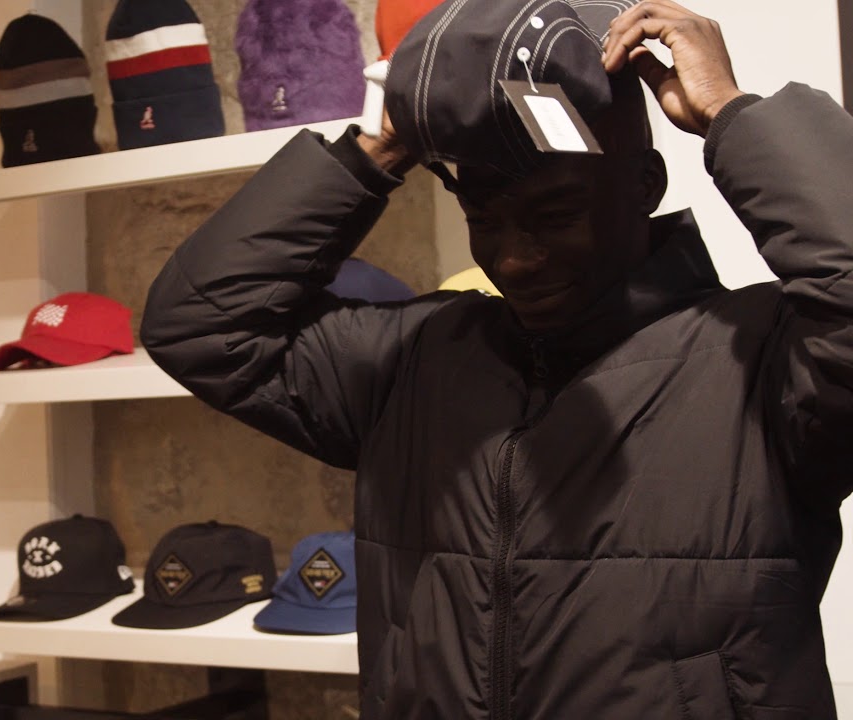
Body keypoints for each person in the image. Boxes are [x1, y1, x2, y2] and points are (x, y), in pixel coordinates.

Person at [140, 1, 852, 717]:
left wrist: (730, 114)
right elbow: (200, 325)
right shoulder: (414, 359)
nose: (513, 259)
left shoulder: (760, 364)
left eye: (554, 216)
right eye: (483, 217)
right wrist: (378, 151)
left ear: (645, 185)